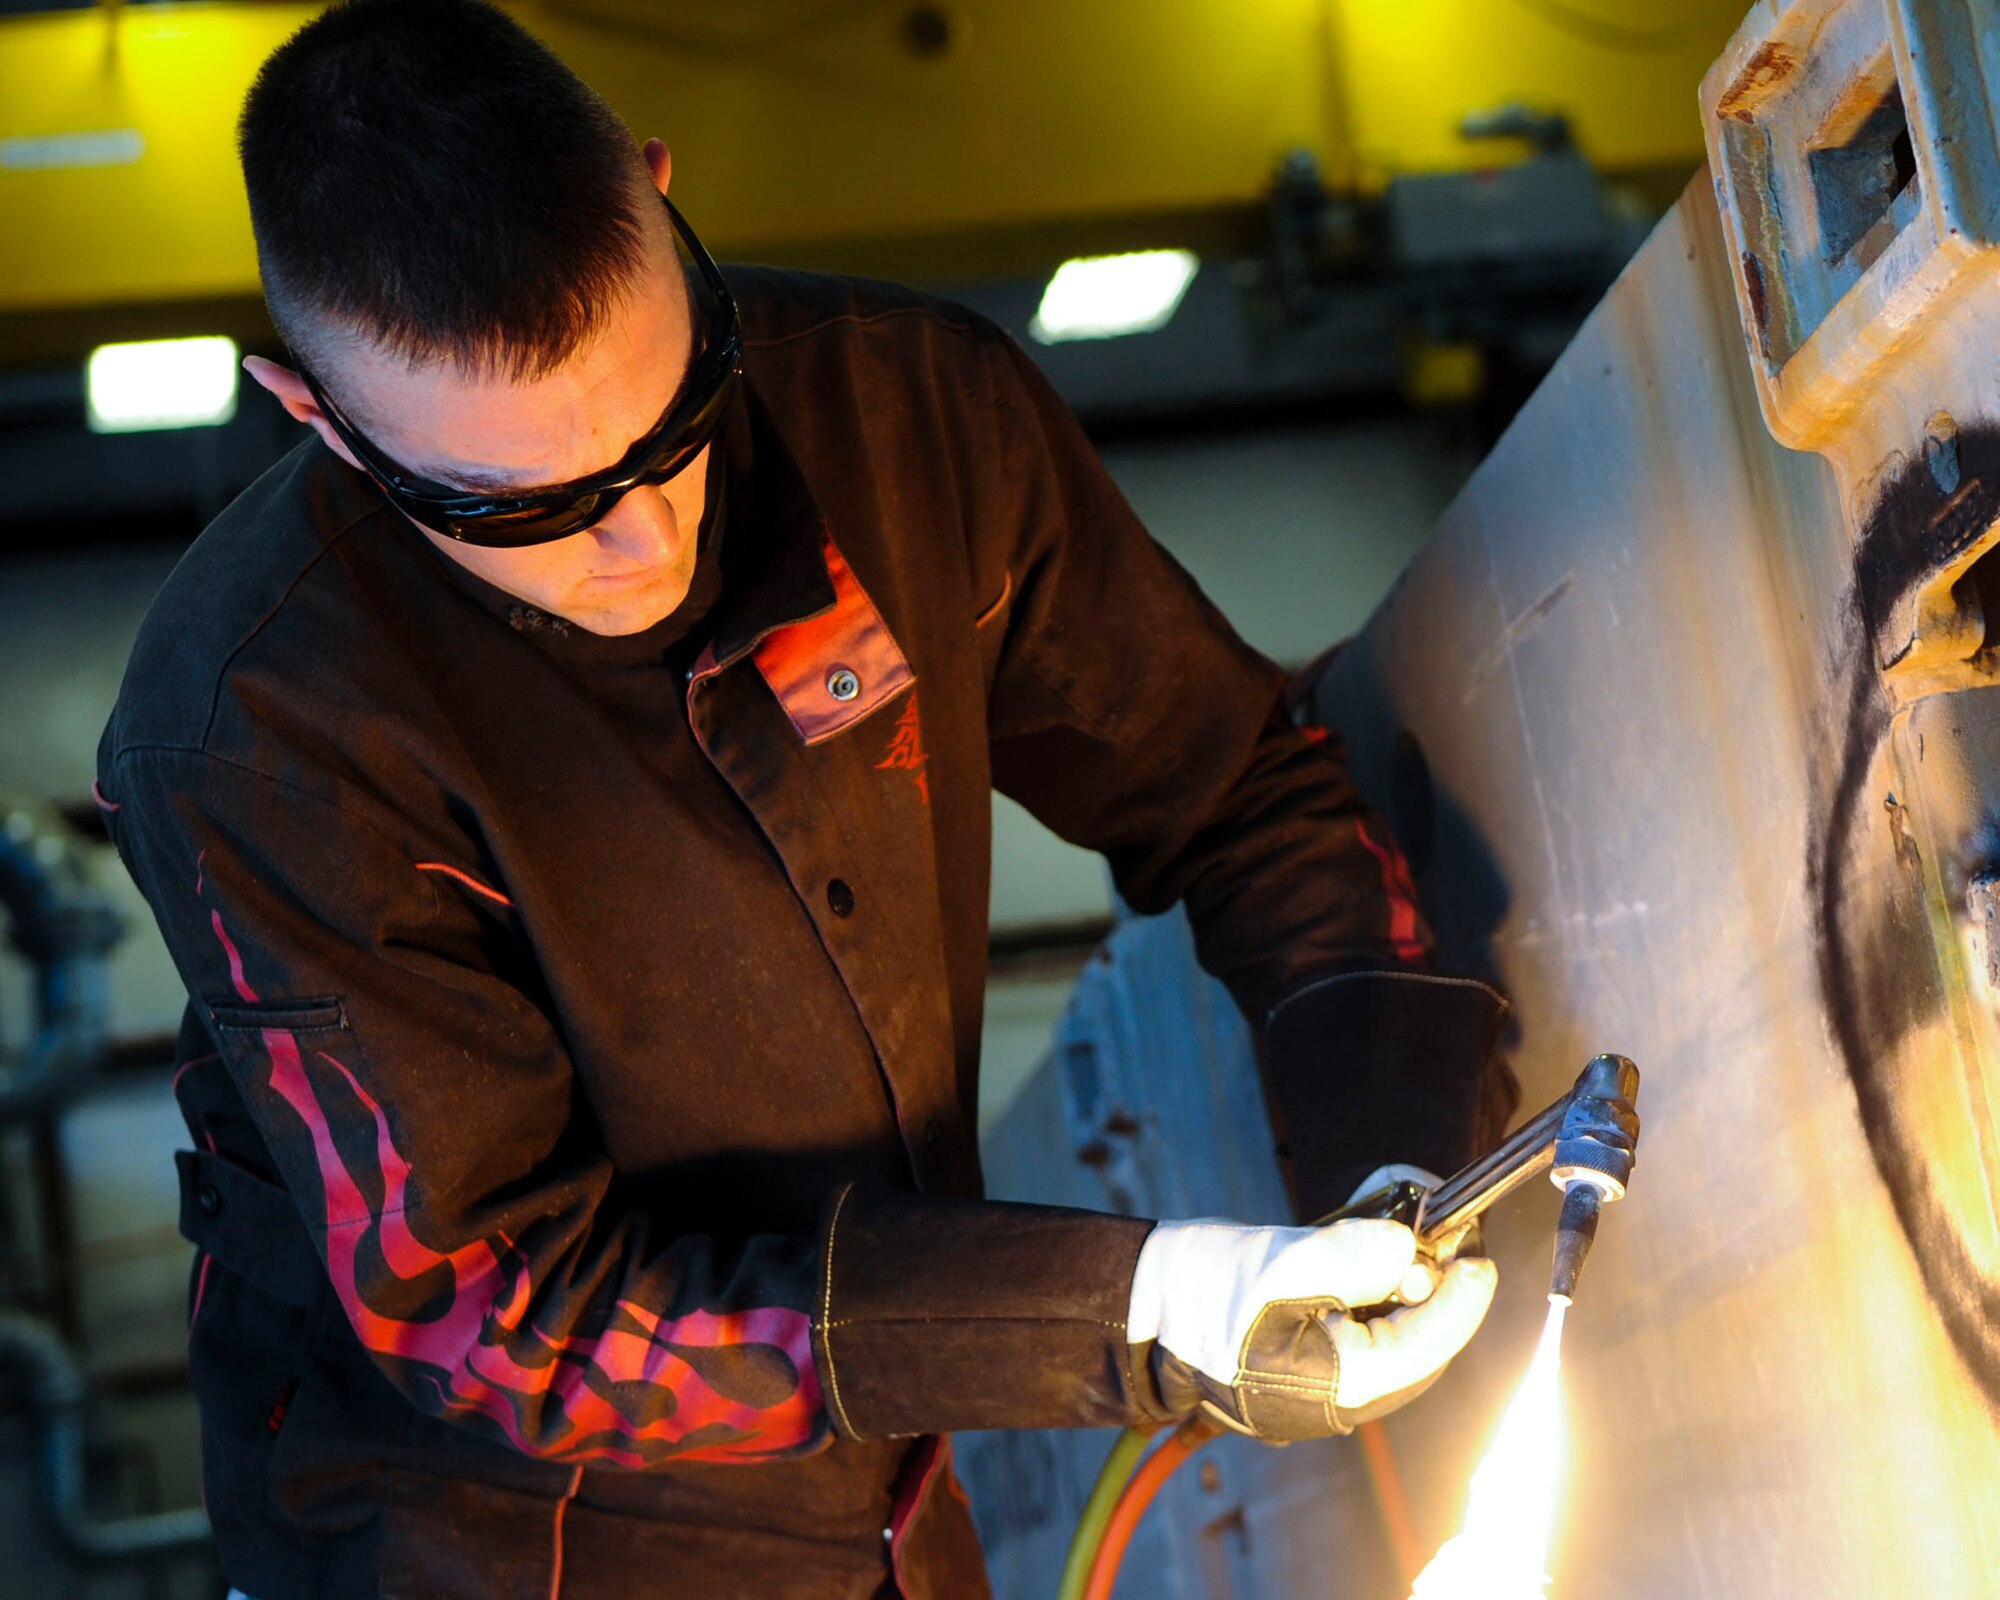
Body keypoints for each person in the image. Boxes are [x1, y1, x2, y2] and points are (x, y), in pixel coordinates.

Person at [94, 2, 1515, 1595]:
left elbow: (1238, 787)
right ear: (320, 422)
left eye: (677, 416)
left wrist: (1395, 1161)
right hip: (490, 1543)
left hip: (885, 1477)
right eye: (525, 507)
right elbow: (505, 1313)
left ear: (659, 188)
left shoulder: (914, 419)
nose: (650, 541)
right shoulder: (251, 731)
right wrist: (1139, 1309)